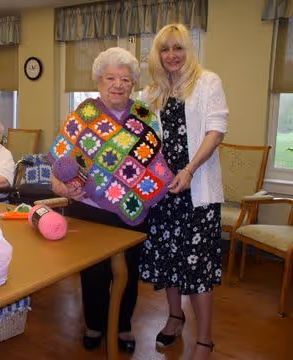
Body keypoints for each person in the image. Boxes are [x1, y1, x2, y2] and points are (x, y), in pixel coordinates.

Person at [49, 47, 173, 353]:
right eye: (111, 78)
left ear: (133, 83)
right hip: (88, 208)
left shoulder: (145, 116)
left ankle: (122, 326)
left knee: (128, 273)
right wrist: (63, 190)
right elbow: (58, 167)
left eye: (125, 79)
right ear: (98, 81)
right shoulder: (83, 116)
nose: (118, 84)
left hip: (132, 210)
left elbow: (153, 163)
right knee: (93, 271)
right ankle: (94, 324)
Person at [139, 24, 228, 359]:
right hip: (163, 194)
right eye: (165, 49)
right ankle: (175, 317)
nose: (172, 55)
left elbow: (216, 130)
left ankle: (204, 338)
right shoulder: (152, 93)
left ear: (189, 51)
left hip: (197, 192)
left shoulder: (207, 82)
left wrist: (189, 171)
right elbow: (145, 141)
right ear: (157, 55)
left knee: (198, 267)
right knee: (168, 261)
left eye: (178, 48)